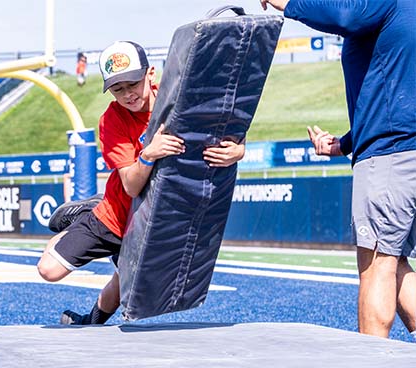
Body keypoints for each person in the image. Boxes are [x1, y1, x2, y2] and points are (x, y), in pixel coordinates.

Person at [39, 40, 246, 325]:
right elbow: (132, 187)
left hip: (152, 220)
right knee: (48, 270)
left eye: (133, 84)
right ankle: (85, 212)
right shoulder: (112, 119)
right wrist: (148, 154)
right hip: (114, 213)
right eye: (117, 89)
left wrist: (239, 150)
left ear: (150, 74)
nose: (127, 94)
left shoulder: (177, 104)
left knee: (127, 278)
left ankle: (91, 322)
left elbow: (223, 124)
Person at [260, 0, 416, 339]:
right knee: (395, 262)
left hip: (391, 156)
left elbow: (345, 14)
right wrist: (346, 144)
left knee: (377, 266)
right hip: (403, 151)